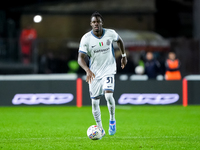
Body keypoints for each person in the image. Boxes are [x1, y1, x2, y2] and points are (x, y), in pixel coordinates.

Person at [78, 11, 127, 137]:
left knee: (109, 96)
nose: (96, 24)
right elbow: (80, 58)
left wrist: (123, 55)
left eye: (98, 21)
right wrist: (87, 70)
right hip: (94, 73)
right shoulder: (86, 39)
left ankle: (112, 120)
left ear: (101, 23)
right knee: (95, 102)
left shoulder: (110, 33)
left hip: (109, 70)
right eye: (94, 22)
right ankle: (100, 128)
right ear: (91, 24)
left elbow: (119, 40)